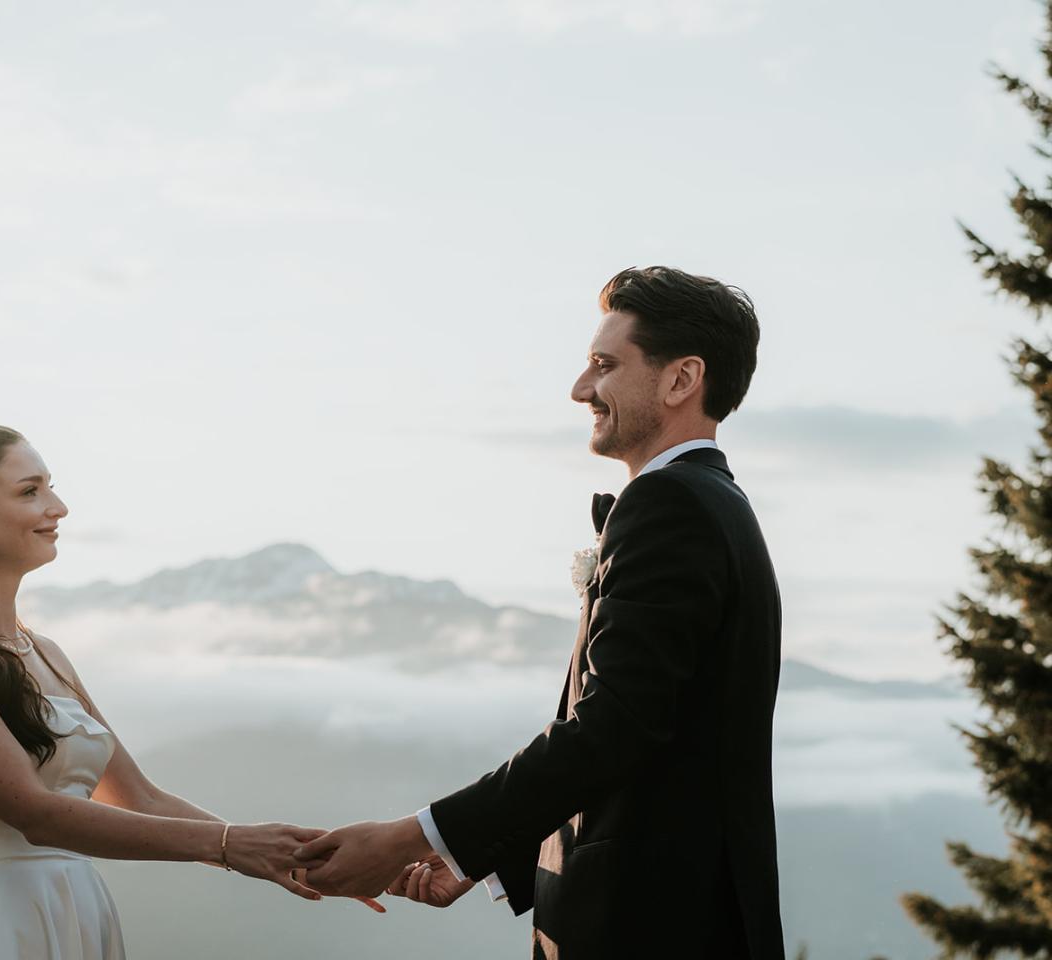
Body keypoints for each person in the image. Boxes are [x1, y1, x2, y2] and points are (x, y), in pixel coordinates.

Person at [296, 266, 786, 959]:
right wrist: (479, 856)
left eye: (604, 365)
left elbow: (613, 727)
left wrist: (414, 835)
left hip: (649, 929)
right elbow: (648, 739)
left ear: (681, 381)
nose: (580, 388)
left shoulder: (669, 506)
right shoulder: (716, 504)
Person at [0, 423, 367, 960]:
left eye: (50, 486)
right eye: (30, 491)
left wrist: (298, 856)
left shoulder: (45, 653)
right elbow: (39, 814)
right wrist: (228, 846)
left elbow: (139, 797)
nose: (57, 506)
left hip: (76, 908)